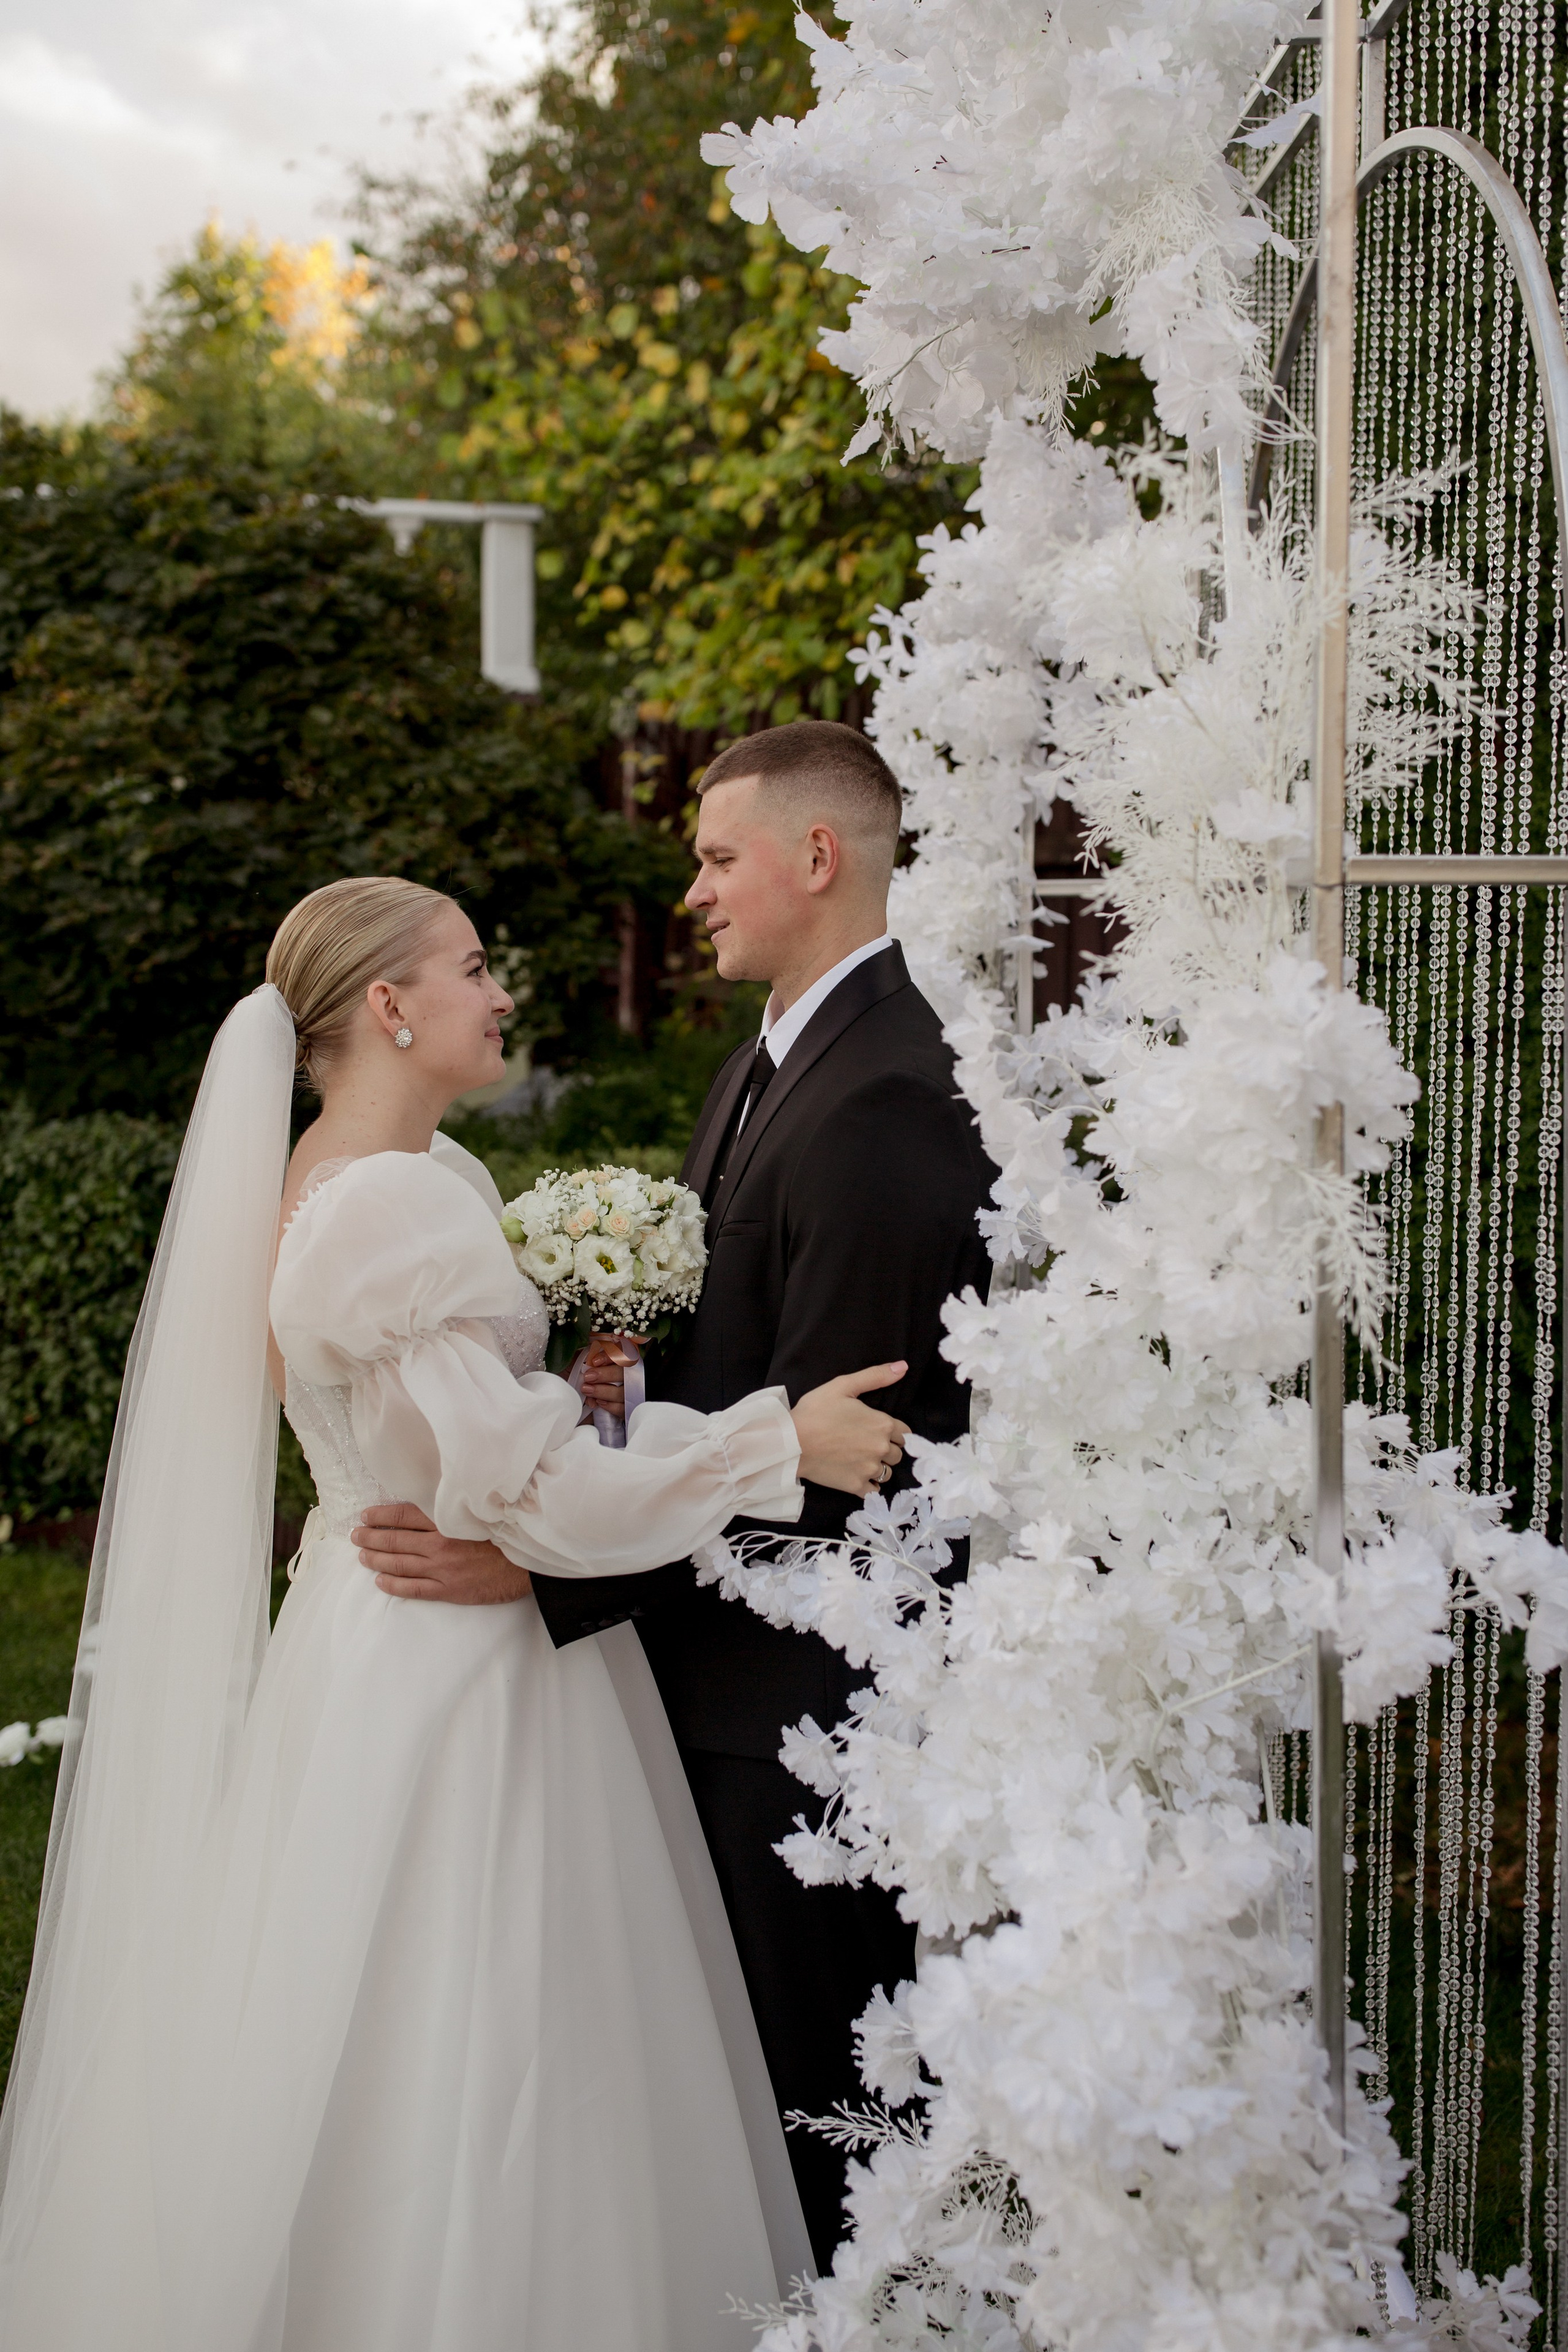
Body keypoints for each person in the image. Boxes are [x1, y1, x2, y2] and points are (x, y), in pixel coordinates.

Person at [0, 875, 911, 2352]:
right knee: (501, 2028)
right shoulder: (403, 1203)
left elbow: (469, 1441)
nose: (502, 993)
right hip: (462, 1673)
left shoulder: (350, 1175)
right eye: (476, 965)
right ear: (388, 1004)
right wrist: (768, 1445)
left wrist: (582, 1389)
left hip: (368, 1649)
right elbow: (519, 1499)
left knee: (370, 2020)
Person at [355, 723, 997, 2262]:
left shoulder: (886, 1098)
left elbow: (852, 1460)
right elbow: (748, 1380)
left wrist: (547, 1572)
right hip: (713, 1682)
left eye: (716, 858)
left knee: (826, 2111)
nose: (695, 891)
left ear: (816, 857)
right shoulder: (771, 1059)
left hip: (800, 1712)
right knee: (747, 2108)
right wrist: (618, 1399)